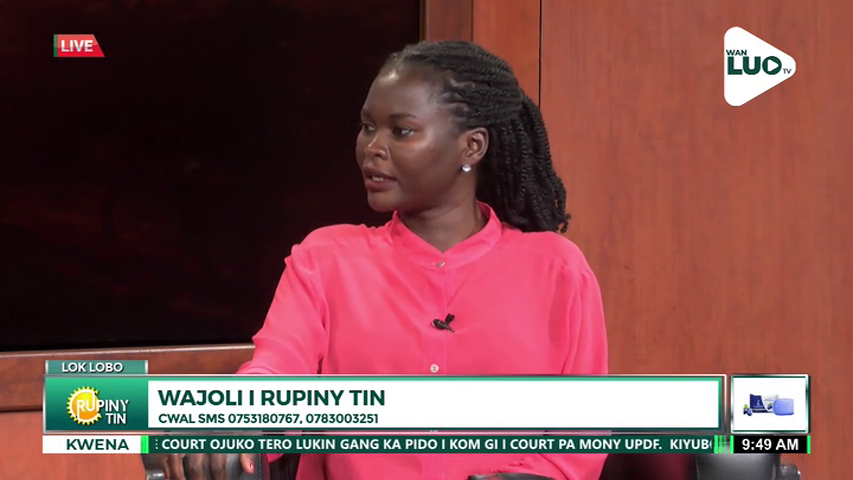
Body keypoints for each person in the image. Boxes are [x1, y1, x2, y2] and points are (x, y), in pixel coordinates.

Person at [148, 40, 608, 480]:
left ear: (471, 147)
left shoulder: (557, 270)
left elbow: (579, 436)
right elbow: (277, 370)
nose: (372, 147)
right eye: (368, 127)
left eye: (401, 131)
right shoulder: (325, 261)